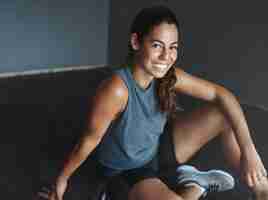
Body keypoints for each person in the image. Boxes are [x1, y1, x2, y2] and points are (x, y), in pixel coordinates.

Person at [41, 5, 268, 200]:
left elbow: (222, 95)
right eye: (157, 45)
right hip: (128, 172)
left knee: (223, 113)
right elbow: (89, 140)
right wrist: (62, 180)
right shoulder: (117, 89)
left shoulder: (168, 76)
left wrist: (250, 152)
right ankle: (193, 188)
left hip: (158, 150)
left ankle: (261, 191)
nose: (166, 56)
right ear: (136, 42)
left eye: (173, 48)